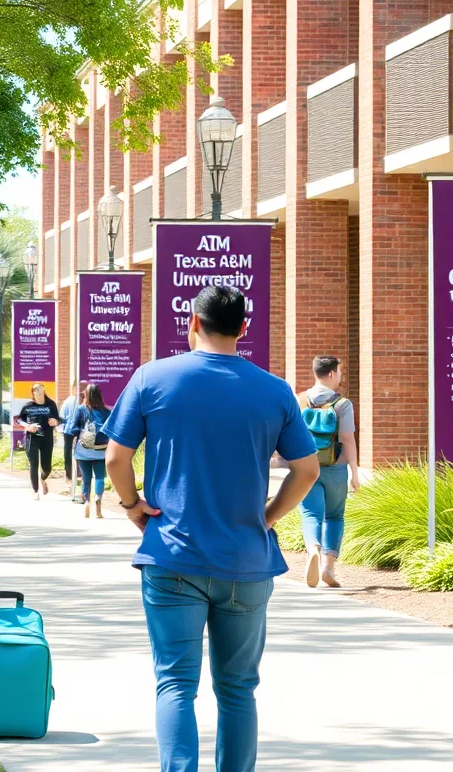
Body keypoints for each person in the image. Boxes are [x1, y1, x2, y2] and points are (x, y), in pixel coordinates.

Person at [102, 286, 319, 772]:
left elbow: (116, 456)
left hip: (173, 555)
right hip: (246, 559)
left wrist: (133, 505)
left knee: (175, 683)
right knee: (238, 688)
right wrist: (268, 517)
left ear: (192, 322)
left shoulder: (152, 378)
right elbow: (307, 471)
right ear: (245, 328)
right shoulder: (275, 390)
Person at [297, 355, 360, 589]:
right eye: (340, 372)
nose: (341, 376)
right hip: (335, 468)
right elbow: (348, 439)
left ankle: (313, 548)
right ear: (332, 373)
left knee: (310, 514)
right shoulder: (343, 404)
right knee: (334, 516)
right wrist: (354, 472)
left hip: (306, 468)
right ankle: (327, 567)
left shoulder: (299, 400)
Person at [65, 383, 109, 516]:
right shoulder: (106, 412)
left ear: (86, 396)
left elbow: (73, 429)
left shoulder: (80, 410)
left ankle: (87, 502)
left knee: (86, 478)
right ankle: (98, 498)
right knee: (100, 476)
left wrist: (81, 432)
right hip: (100, 451)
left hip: (83, 450)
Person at [14, 383, 60, 501]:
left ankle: (43, 479)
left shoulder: (51, 405)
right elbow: (19, 420)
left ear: (44, 391)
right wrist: (27, 426)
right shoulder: (28, 406)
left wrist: (55, 421)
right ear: (32, 393)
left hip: (46, 438)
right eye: (35, 390)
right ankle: (35, 491)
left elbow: (58, 419)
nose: (38, 391)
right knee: (33, 464)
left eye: (40, 389)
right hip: (32, 438)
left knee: (47, 468)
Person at [58, 381, 79, 495]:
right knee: (79, 453)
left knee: (67, 453)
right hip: (79, 431)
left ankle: (68, 476)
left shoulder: (68, 401)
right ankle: (77, 475)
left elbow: (61, 416)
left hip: (68, 431)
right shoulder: (82, 401)